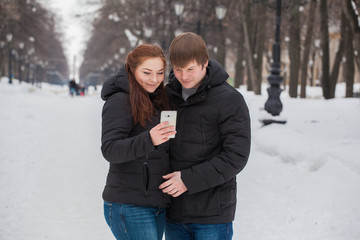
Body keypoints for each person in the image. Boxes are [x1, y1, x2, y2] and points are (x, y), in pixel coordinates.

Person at [159, 32, 251, 239]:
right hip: (173, 213)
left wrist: (188, 180)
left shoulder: (230, 100)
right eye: (178, 69)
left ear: (205, 63)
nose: (184, 76)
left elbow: (236, 156)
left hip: (212, 215)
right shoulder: (167, 97)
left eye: (191, 69)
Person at [101, 43, 176, 240]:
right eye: (147, 72)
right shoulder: (120, 100)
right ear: (132, 69)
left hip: (155, 202)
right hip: (128, 204)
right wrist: (149, 139)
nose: (155, 79)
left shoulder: (156, 99)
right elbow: (110, 149)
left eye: (160, 73)